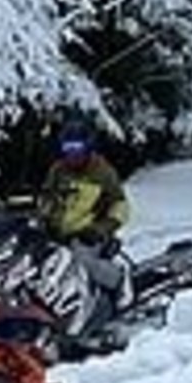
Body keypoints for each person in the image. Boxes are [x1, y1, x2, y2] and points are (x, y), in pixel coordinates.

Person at [33, 121, 131, 344]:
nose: (72, 154)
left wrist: (101, 229)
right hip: (57, 235)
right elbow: (47, 198)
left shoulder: (102, 172)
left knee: (80, 262)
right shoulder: (58, 170)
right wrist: (41, 218)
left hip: (88, 235)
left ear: (87, 147)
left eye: (77, 148)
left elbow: (120, 206)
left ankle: (119, 281)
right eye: (67, 148)